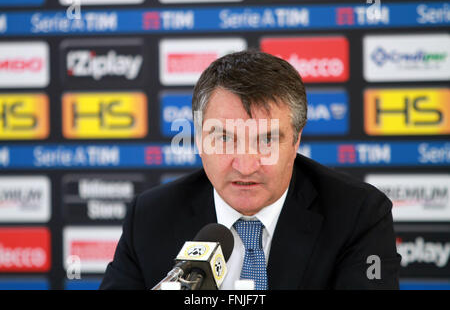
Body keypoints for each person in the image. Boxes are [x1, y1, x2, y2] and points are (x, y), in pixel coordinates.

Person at [100, 50, 401, 290]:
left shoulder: (358, 215)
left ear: (296, 140)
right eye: (224, 139)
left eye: (267, 140)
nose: (245, 165)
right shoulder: (151, 216)